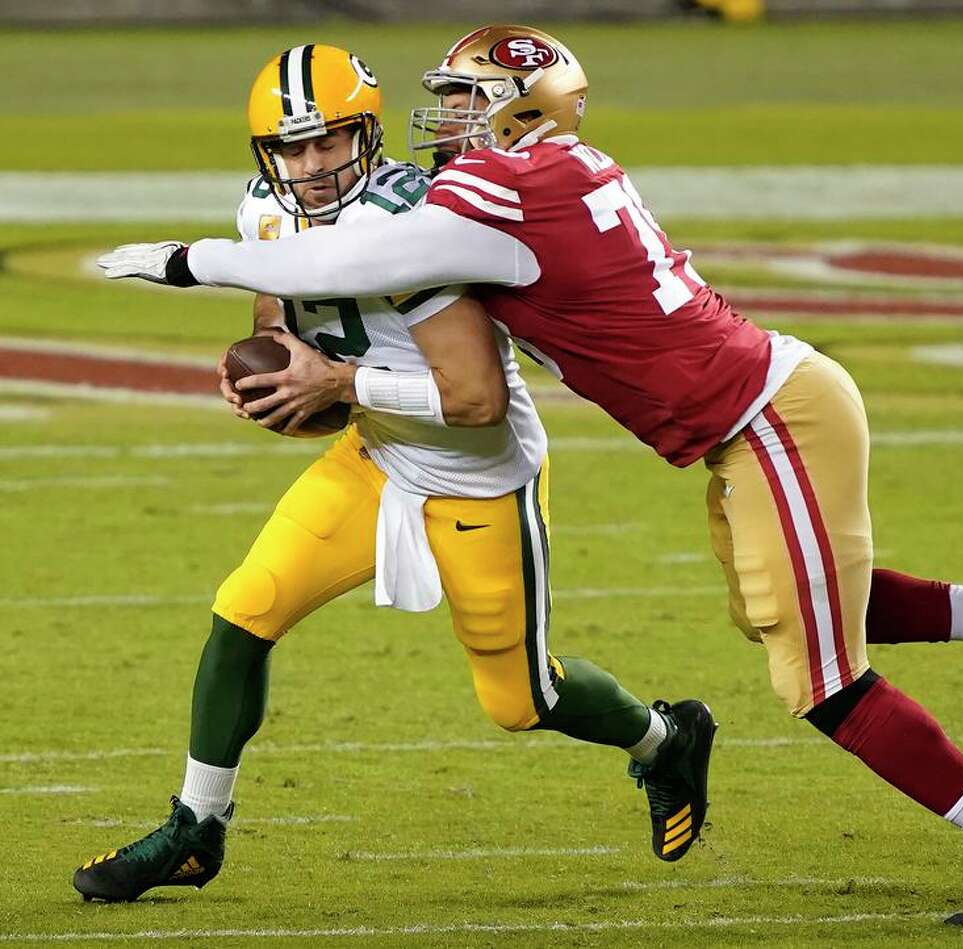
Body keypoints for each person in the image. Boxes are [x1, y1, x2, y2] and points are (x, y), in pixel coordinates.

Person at [97, 27, 963, 926]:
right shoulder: (537, 172)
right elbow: (296, 289)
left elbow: (402, 331)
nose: (442, 119)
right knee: (785, 611)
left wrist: (190, 262)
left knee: (817, 679)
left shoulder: (484, 203)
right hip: (701, 428)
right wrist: (287, 369)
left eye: (463, 101)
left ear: (518, 110)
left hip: (760, 422)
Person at [75, 43, 718, 904]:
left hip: (476, 474)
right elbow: (280, 310)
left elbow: (478, 397)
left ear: (366, 136)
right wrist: (276, 376)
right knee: (243, 610)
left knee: (521, 698)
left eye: (328, 142)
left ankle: (663, 737)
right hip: (375, 451)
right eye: (291, 148)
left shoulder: (420, 222)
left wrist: (334, 381)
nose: (309, 165)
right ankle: (199, 825)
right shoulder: (265, 209)